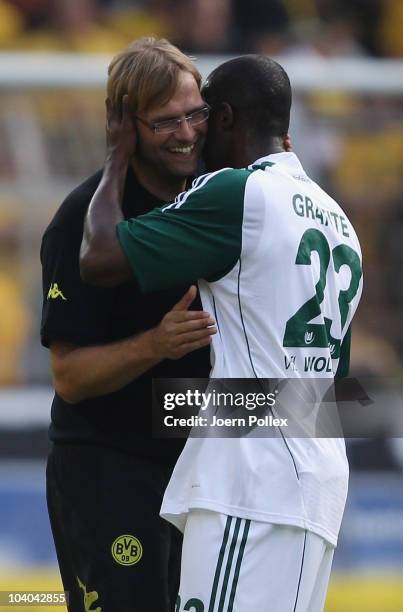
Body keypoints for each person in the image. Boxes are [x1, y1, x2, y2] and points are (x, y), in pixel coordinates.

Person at [80, 55, 363, 611]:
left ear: (226, 118)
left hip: (255, 487)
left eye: (206, 116)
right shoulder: (341, 223)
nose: (196, 133)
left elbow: (99, 257)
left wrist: (115, 159)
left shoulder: (240, 193)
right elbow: (324, 395)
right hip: (315, 484)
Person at [40, 37, 215, 612]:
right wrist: (154, 345)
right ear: (124, 126)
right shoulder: (80, 222)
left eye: (195, 114)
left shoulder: (225, 196)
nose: (187, 133)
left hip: (202, 463)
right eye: (166, 122)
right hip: (109, 466)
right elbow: (68, 376)